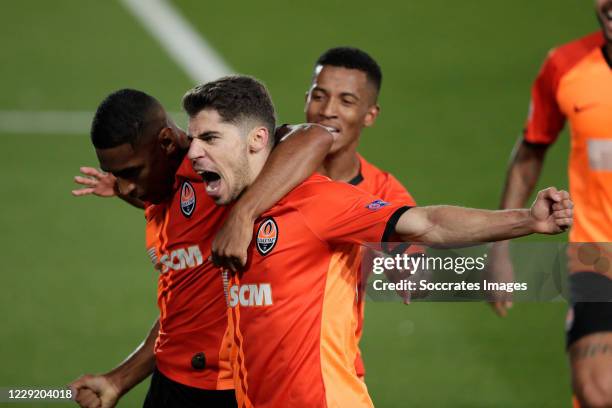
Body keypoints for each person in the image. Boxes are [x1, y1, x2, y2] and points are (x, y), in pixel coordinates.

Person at [184, 75, 573, 407]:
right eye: (193, 139)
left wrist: (527, 219)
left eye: (210, 138)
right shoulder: (228, 203)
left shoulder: (316, 202)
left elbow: (428, 223)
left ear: (256, 140)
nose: (195, 152)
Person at [68, 88, 334, 408]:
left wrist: (242, 214)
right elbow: (183, 316)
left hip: (228, 389)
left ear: (167, 142)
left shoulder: (217, 170)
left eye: (131, 173)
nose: (126, 186)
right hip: (170, 383)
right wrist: (118, 380)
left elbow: (315, 137)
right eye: (117, 175)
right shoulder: (164, 193)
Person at [212, 46, 420, 381]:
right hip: (237, 372)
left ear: (370, 114)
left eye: (346, 101)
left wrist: (403, 265)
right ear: (306, 97)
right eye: (320, 96)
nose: (328, 111)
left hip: (326, 375)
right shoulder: (262, 166)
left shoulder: (383, 192)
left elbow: (415, 275)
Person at [487, 1, 612, 405]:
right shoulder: (565, 66)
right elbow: (530, 152)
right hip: (597, 252)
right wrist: (501, 246)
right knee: (596, 391)